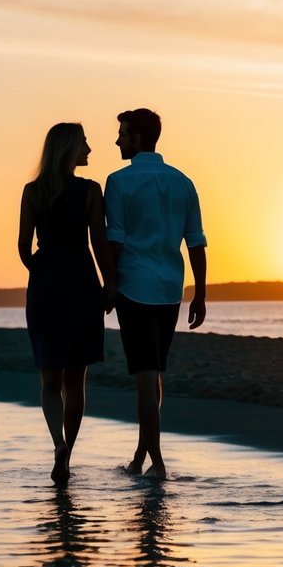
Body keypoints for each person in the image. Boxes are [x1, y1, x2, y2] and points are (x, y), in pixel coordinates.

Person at [104, 107, 207, 480]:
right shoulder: (182, 181)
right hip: (169, 290)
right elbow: (195, 242)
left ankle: (159, 465)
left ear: (138, 139)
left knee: (147, 377)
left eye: (122, 133)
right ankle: (139, 458)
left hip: (134, 288)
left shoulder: (118, 181)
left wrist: (110, 285)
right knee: (154, 375)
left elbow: (114, 238)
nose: (117, 140)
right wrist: (200, 293)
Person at [18, 122, 115, 483]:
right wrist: (110, 285)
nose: (89, 149)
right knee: (76, 380)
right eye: (85, 143)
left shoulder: (32, 191)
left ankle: (56, 442)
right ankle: (67, 455)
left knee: (49, 378)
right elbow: (100, 243)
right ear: (70, 149)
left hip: (45, 281)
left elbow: (23, 247)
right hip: (80, 278)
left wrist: (42, 271)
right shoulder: (90, 191)